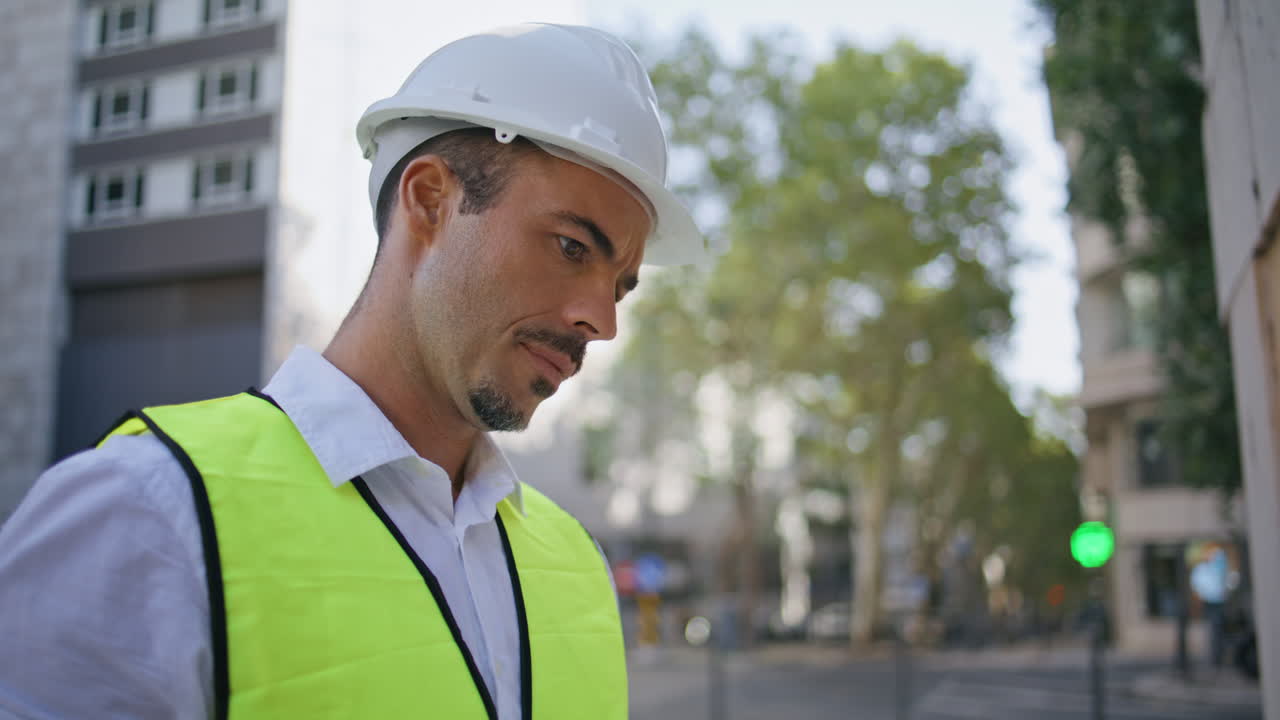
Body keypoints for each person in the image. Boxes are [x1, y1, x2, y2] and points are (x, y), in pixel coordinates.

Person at [0, 23, 707, 720]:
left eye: (619, 286)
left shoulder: (575, 563)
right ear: (430, 200)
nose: (602, 321)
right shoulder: (145, 516)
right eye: (572, 247)